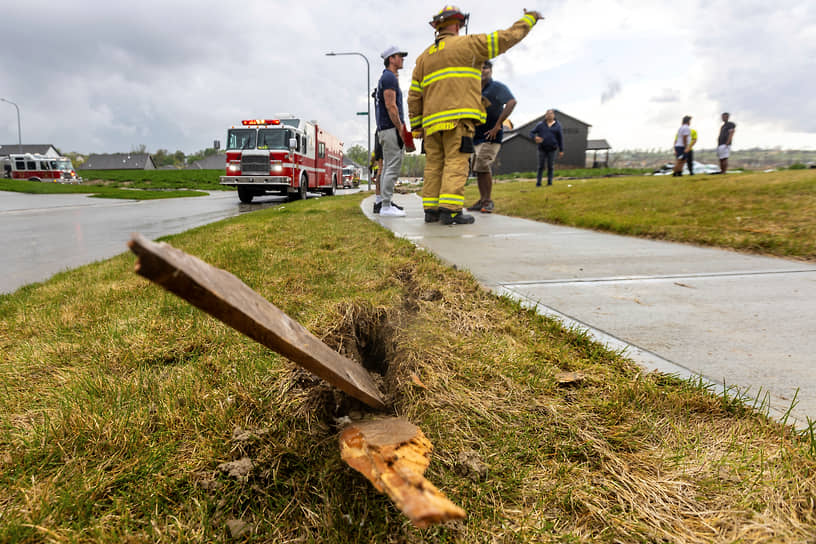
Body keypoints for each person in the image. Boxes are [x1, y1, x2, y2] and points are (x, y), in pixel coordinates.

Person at [408, 6, 543, 225]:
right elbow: (505, 38)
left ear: (437, 27)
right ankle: (451, 211)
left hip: (431, 126)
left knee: (434, 166)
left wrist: (416, 126)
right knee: (456, 163)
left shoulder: (423, 59)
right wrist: (529, 19)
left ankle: (431, 211)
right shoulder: (469, 45)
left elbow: (414, 96)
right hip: (458, 121)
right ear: (457, 24)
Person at [466, 60, 517, 214]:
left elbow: (511, 102)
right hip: (476, 135)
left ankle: (488, 201)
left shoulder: (497, 88)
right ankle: (482, 200)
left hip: (491, 135)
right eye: (480, 68)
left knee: (482, 164)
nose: (482, 70)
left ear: (491, 70)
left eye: (485, 68)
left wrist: (498, 125)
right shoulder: (474, 89)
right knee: (478, 168)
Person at [376, 46, 409, 217]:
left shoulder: (386, 77)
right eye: (399, 56)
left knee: (388, 166)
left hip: (385, 129)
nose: (402, 59)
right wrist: (401, 128)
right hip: (390, 129)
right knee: (392, 167)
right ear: (391, 59)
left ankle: (384, 203)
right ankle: (386, 206)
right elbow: (391, 106)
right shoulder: (389, 78)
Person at [529, 109, 563, 186]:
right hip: (542, 149)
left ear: (554, 115)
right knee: (541, 166)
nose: (549, 115)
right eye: (547, 114)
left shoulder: (558, 125)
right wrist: (535, 137)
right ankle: (538, 183)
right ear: (545, 115)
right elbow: (531, 133)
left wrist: (561, 150)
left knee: (550, 166)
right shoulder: (540, 125)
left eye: (551, 114)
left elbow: (560, 138)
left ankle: (549, 182)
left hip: (552, 149)